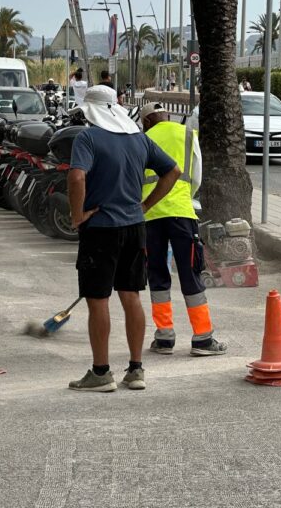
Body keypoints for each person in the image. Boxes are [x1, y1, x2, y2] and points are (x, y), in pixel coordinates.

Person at [67, 86, 181, 392]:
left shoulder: (87, 138)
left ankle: (101, 372)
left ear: (89, 111)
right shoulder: (138, 138)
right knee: (131, 296)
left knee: (98, 300)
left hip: (100, 228)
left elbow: (77, 177)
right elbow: (174, 171)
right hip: (134, 227)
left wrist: (77, 215)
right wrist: (144, 206)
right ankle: (135, 369)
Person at [139, 102, 227, 357]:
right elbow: (196, 176)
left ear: (146, 121)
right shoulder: (187, 134)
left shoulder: (142, 139)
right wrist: (184, 196)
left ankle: (164, 338)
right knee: (190, 273)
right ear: (167, 116)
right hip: (181, 213)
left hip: (151, 215)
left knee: (157, 274)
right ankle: (202, 339)